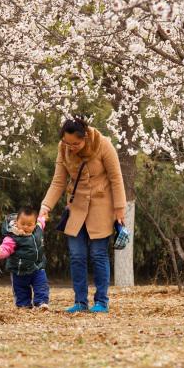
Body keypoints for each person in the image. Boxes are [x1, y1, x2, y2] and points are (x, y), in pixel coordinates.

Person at [40, 117, 126, 314]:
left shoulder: (103, 144)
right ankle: (80, 301)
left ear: (85, 136)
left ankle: (101, 302)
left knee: (98, 254)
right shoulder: (63, 149)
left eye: (75, 143)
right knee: (77, 255)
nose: (71, 147)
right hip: (76, 206)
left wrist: (120, 208)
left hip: (101, 205)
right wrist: (46, 206)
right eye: (67, 143)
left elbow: (116, 177)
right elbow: (58, 181)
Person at [0, 206, 50, 309]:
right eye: (22, 223)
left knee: (41, 286)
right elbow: (6, 248)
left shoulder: (37, 229)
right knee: (21, 289)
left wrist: (44, 217)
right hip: (19, 270)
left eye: (29, 224)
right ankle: (24, 305)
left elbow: (41, 221)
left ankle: (41, 303)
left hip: (37, 267)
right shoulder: (13, 236)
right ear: (17, 221)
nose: (25, 227)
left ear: (34, 224)